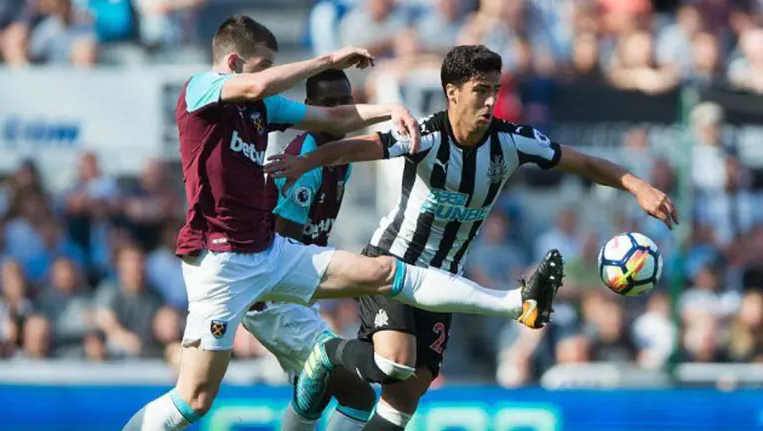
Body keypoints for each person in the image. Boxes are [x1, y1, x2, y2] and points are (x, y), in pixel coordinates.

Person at [122, 18, 565, 431]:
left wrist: (390, 109)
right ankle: (322, 357)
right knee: (194, 400)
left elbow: (334, 119)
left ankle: (515, 302)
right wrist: (330, 59)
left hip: (269, 253)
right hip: (220, 265)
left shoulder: (263, 109)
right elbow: (257, 84)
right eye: (264, 65)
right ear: (234, 63)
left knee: (384, 276)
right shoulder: (200, 90)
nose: (269, 76)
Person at [266, 44, 680, 430]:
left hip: (444, 282)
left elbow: (581, 161)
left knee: (403, 400)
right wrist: (307, 161)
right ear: (452, 92)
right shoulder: (425, 135)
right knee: (395, 363)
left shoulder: (510, 142)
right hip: (391, 265)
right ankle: (326, 354)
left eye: (495, 91)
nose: (489, 101)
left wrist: (635, 184)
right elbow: (358, 148)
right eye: (480, 91)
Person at [240, 69, 376, 431]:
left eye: (344, 102)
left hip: (289, 295)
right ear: (309, 108)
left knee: (312, 396)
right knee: (359, 394)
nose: (337, 111)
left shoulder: (337, 157)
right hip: (272, 295)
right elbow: (287, 253)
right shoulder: (305, 165)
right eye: (327, 104)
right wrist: (352, 282)